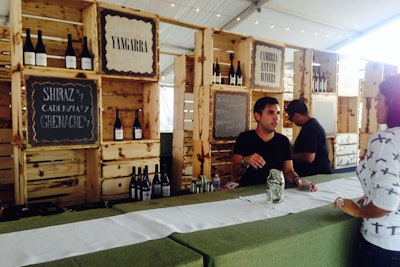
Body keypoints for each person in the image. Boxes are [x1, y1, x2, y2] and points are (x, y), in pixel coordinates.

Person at [334, 74, 400, 266]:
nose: (375, 105)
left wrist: (357, 211)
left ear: (393, 102)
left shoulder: (386, 140)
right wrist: (373, 194)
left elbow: (387, 202)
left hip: (384, 246)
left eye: (379, 99)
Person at [231, 96, 318, 191]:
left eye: (278, 113)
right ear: (257, 116)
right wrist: (245, 161)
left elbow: (288, 171)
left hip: (275, 192)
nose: (276, 118)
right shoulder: (244, 138)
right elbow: (235, 172)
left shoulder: (283, 141)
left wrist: (298, 180)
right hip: (248, 192)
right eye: (270, 113)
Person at [285, 99, 332, 177]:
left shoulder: (310, 128)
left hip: (315, 174)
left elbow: (308, 157)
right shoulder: (312, 125)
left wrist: (287, 156)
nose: (292, 121)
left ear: (296, 115)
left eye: (290, 118)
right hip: (318, 173)